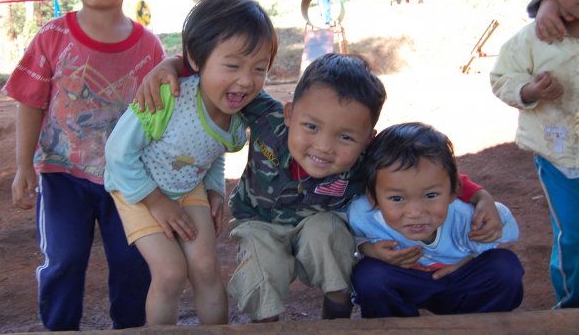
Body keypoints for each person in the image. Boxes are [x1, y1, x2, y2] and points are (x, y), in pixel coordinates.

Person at [137, 52, 505, 323]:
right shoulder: (265, 116)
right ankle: (266, 326)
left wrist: (479, 195)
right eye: (310, 127)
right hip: (260, 221)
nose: (324, 147)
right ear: (289, 113)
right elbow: (222, 74)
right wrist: (172, 65)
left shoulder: (369, 158)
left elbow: (422, 165)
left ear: (367, 140)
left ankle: (337, 314)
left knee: (328, 234)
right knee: (262, 265)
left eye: (345, 136)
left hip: (321, 218)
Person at [1, 0, 165, 330]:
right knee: (64, 260)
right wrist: (24, 167)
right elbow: (30, 103)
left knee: (133, 263)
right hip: (61, 177)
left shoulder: (149, 47)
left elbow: (159, 120)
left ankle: (130, 327)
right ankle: (59, 328)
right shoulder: (52, 37)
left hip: (127, 180)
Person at [104, 0, 277, 325]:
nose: (246, 79)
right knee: (170, 273)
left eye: (259, 68)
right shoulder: (167, 95)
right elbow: (117, 153)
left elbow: (212, 151)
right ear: (196, 60)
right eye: (232, 65)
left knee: (206, 267)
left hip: (188, 186)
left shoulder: (240, 113)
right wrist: (155, 201)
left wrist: (214, 188)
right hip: (137, 188)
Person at [490, 0, 579, 310]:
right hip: (560, 158)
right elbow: (501, 78)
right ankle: (571, 306)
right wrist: (529, 92)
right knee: (573, 234)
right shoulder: (535, 37)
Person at [348, 122, 524, 318]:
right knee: (370, 276)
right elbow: (349, 240)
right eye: (397, 198)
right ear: (373, 198)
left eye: (430, 195)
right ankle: (395, 328)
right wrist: (369, 249)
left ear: (454, 191)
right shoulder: (362, 213)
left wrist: (467, 260)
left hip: (460, 279)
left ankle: (481, 324)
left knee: (504, 267)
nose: (415, 212)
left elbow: (499, 235)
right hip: (407, 282)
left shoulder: (468, 216)